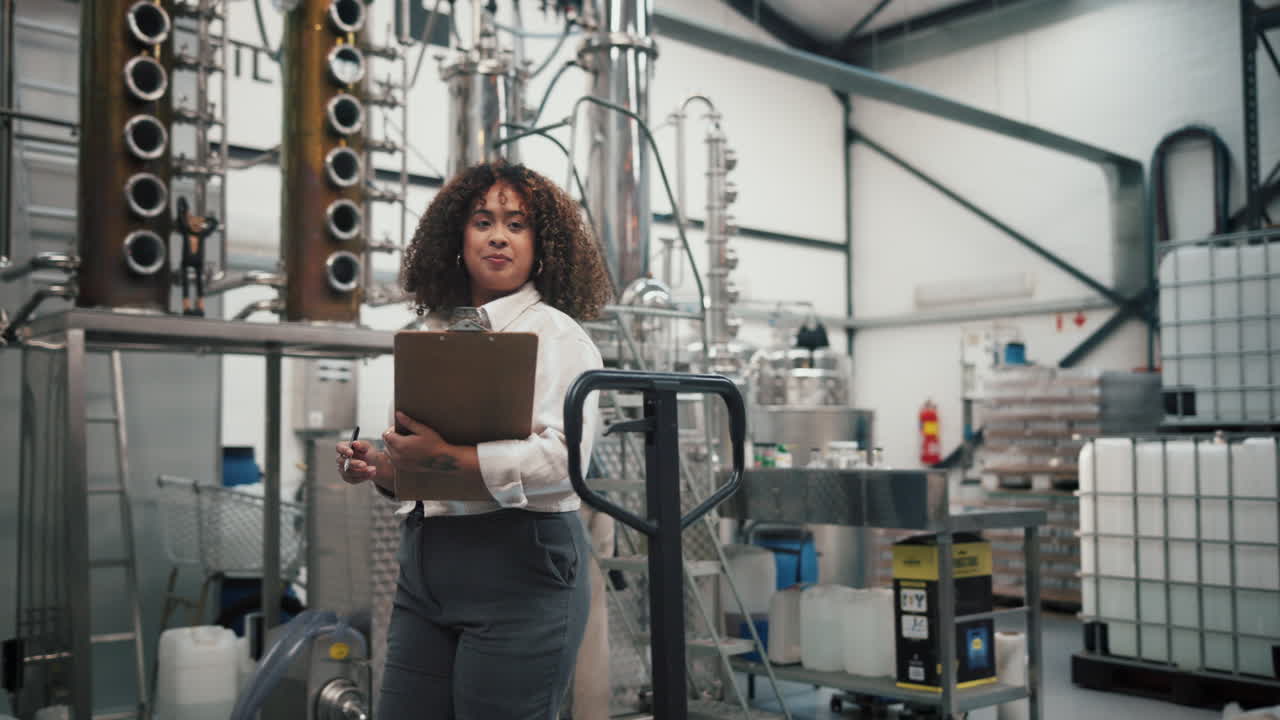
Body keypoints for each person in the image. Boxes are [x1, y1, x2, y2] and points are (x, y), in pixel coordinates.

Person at [335, 160, 613, 719]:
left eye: (517, 224)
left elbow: (564, 460)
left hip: (521, 563)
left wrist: (448, 458)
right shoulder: (432, 333)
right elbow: (423, 463)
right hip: (427, 562)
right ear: (457, 238)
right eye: (483, 221)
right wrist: (386, 469)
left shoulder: (559, 337)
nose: (498, 236)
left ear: (542, 244)